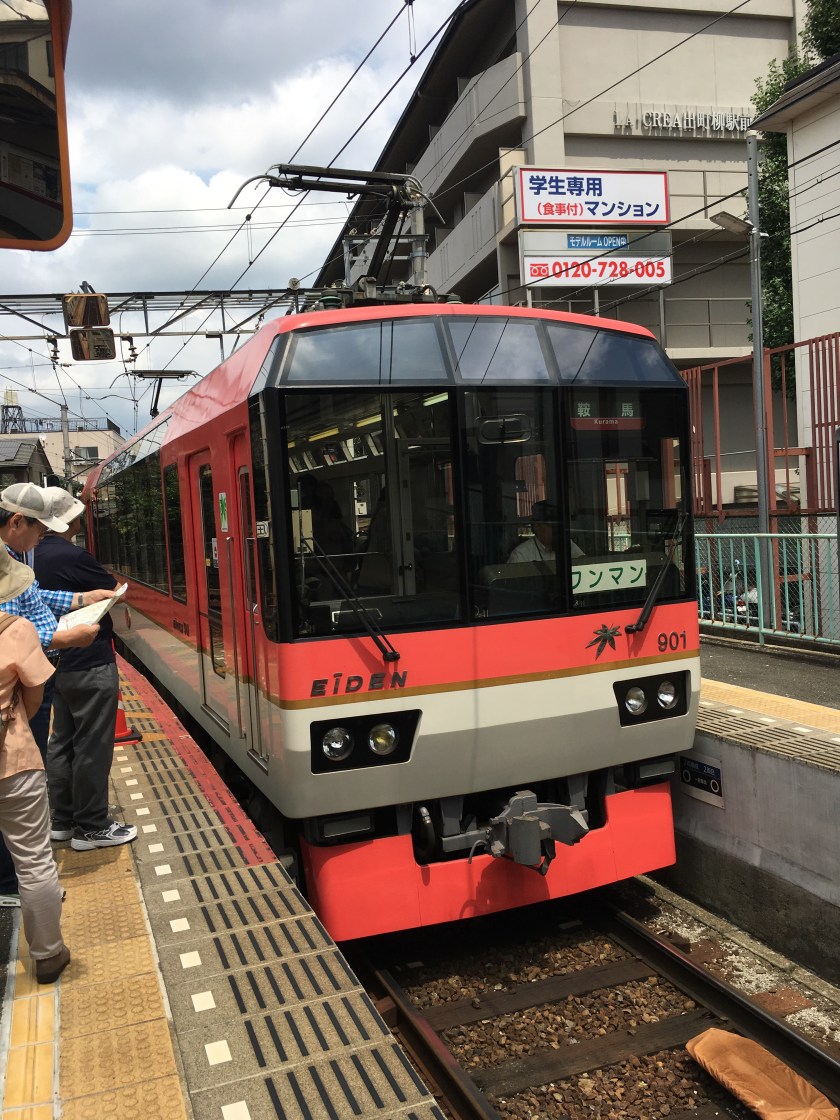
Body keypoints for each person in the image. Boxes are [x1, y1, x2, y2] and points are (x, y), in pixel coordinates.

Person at [0, 483, 115, 901]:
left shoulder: (12, 556)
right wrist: (67, 638)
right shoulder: (5, 559)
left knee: (52, 749)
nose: (44, 536)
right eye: (39, 528)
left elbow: (33, 597)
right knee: (18, 790)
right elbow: (11, 632)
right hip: (12, 700)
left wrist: (83, 598)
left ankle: (25, 871)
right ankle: (15, 885)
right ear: (17, 522)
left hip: (31, 686)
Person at [35, 487, 137, 852]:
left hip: (52, 661)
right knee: (92, 743)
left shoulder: (29, 555)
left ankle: (62, 820)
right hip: (89, 662)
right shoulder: (74, 556)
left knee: (61, 740)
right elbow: (114, 592)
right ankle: (92, 826)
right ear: (71, 521)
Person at [0, 547, 70, 983]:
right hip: (13, 760)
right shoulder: (18, 630)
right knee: (34, 860)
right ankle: (47, 955)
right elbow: (34, 697)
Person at [508, 500, 584, 563]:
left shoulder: (566, 544)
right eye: (551, 525)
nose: (556, 529)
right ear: (536, 526)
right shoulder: (520, 555)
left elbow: (583, 561)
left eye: (558, 525)